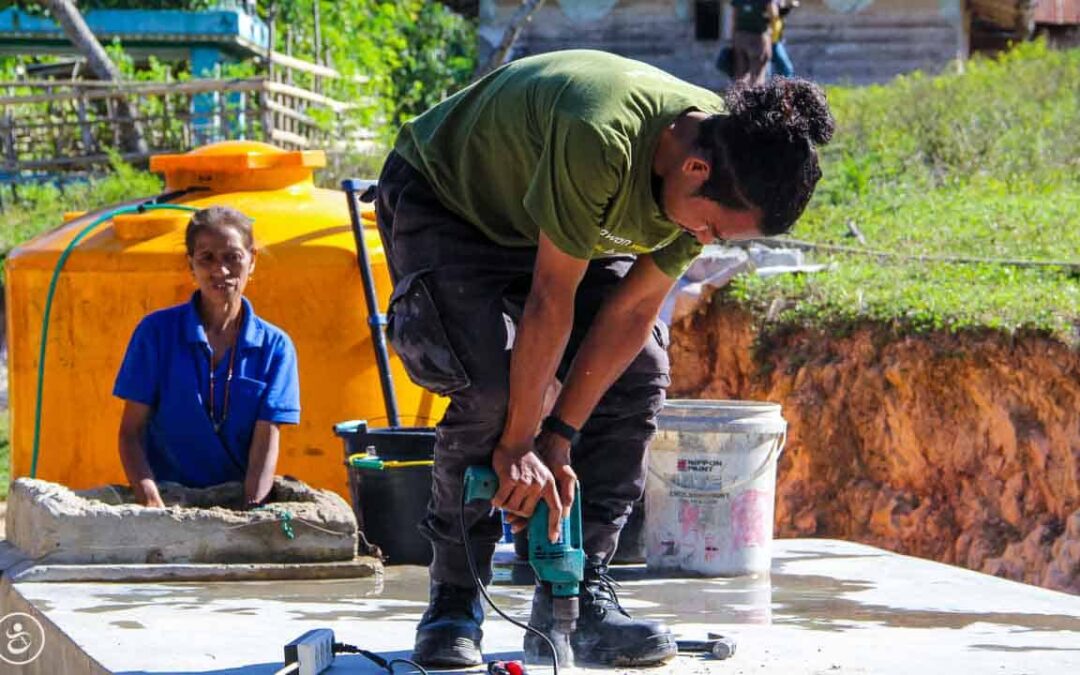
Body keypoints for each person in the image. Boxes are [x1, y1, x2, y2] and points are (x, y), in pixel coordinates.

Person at [375, 49, 833, 668]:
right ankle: (456, 598)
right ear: (694, 170)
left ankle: (579, 589)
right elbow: (549, 300)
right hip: (450, 201)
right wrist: (516, 444)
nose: (704, 241)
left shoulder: (723, 158)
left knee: (639, 372)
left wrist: (558, 439)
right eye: (713, 231)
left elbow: (632, 311)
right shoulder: (602, 136)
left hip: (552, 220)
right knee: (488, 387)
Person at [114, 206, 300, 509]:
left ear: (252, 260)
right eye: (207, 258)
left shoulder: (275, 347)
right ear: (191, 265)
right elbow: (129, 433)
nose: (220, 271)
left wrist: (250, 513)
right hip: (167, 500)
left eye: (232, 257)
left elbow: (265, 444)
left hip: (236, 503)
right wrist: (151, 503)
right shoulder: (156, 333)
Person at [730, 0, 779, 85]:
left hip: (740, 38)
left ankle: (739, 96)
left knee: (741, 74)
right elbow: (774, 15)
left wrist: (733, 39)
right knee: (757, 75)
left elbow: (733, 18)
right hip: (758, 39)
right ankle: (755, 96)